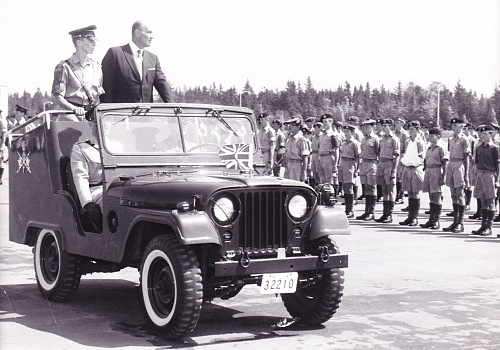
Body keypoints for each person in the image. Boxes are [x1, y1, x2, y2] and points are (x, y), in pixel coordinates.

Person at [101, 20, 174, 103]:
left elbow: (163, 86)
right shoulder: (115, 54)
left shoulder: (153, 58)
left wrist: (174, 109)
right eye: (149, 32)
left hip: (146, 114)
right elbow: (106, 88)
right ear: (137, 33)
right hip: (120, 114)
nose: (152, 37)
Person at [52, 25, 104, 121]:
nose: (94, 44)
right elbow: (58, 97)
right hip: (70, 114)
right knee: (73, 122)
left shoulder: (96, 67)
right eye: (91, 41)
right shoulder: (64, 67)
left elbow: (99, 97)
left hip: (91, 115)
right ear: (79, 43)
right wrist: (74, 109)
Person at [70, 113, 104, 232]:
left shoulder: (118, 146)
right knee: (110, 200)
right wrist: (87, 203)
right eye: (95, 122)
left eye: (104, 121)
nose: (99, 126)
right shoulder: (81, 149)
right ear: (91, 124)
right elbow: (80, 177)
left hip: (115, 188)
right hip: (94, 191)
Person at [442, 118, 471, 233]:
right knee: (453, 194)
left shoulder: (465, 140)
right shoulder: (451, 139)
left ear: (461, 127)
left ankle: (460, 223)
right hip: (451, 164)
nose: (453, 127)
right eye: (452, 125)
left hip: (460, 164)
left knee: (460, 194)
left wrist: (466, 174)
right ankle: (455, 221)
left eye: (456, 125)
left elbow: (467, 158)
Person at [470, 125, 499, 236]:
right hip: (480, 174)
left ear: (491, 134)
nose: (482, 135)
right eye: (481, 134)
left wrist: (498, 179)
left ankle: (489, 227)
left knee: (490, 200)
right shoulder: (479, 147)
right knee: (482, 200)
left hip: (490, 174)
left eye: (485, 133)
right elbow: (476, 163)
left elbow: (498, 164)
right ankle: (483, 225)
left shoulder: (494, 148)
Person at [420, 127, 448, 229]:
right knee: (431, 196)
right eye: (429, 136)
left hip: (437, 171)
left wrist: (443, 177)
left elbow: (445, 163)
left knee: (436, 196)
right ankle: (431, 219)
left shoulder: (441, 147)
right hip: (429, 171)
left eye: (432, 136)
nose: (430, 138)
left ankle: (436, 220)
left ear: (438, 137)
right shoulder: (429, 147)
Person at [398, 121, 426, 226]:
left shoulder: (420, 142)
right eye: (409, 129)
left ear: (418, 130)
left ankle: (415, 217)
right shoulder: (407, 141)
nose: (410, 131)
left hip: (416, 168)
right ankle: (410, 216)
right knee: (409, 192)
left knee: (415, 192)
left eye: (413, 129)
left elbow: (421, 157)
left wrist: (415, 165)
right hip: (407, 167)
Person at [375, 118, 400, 223]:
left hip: (390, 163)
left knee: (390, 189)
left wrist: (394, 170)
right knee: (384, 189)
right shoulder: (382, 139)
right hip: (382, 163)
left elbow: (397, 156)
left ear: (391, 126)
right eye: (383, 126)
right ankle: (384, 213)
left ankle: (389, 214)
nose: (383, 127)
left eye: (386, 126)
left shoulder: (394, 139)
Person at [356, 119, 380, 221]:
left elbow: (378, 152)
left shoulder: (375, 139)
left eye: (366, 127)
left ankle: (371, 212)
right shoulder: (364, 139)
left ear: (371, 127)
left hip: (372, 163)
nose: (364, 129)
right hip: (364, 163)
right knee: (366, 188)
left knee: (372, 187)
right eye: (363, 127)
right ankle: (366, 211)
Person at [339, 124, 361, 218]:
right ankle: (346, 208)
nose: (346, 133)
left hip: (350, 164)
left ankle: (350, 210)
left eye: (348, 132)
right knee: (344, 187)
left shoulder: (355, 143)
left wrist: (357, 169)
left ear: (352, 133)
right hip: (343, 163)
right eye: (345, 131)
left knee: (349, 187)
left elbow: (358, 157)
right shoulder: (344, 143)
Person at [316, 114, 340, 189]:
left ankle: (330, 196)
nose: (324, 123)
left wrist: (335, 165)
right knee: (322, 181)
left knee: (329, 180)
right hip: (321, 158)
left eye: (326, 121)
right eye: (323, 122)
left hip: (328, 158)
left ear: (331, 122)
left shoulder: (333, 135)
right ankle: (324, 197)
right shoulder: (322, 135)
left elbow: (336, 151)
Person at [394, 117, 409, 205]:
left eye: (398, 123)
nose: (396, 125)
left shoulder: (404, 134)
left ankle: (400, 196)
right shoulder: (394, 133)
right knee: (396, 176)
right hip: (395, 156)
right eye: (395, 123)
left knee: (400, 176)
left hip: (402, 155)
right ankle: (397, 194)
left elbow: (406, 147)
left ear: (402, 124)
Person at [0, 111, 5, 184]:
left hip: (0, 141)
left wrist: (2, 146)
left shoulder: (1, 123)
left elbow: (3, 135)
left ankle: (0, 177)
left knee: (0, 160)